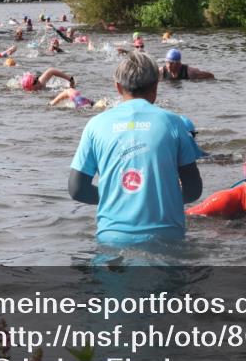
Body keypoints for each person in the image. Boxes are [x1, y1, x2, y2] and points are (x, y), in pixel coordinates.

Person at [68, 53, 203, 246]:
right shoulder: (174, 123)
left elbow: (77, 189)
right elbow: (193, 189)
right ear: (156, 86)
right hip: (166, 238)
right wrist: (159, 198)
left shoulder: (95, 125)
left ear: (118, 87)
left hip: (112, 238)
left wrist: (121, 197)